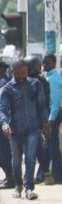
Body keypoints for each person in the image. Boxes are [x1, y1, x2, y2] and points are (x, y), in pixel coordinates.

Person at [0, 59, 49, 200]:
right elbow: (2, 109)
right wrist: (4, 124)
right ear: (13, 72)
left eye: (24, 73)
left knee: (30, 159)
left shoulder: (35, 84)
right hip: (15, 131)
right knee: (16, 161)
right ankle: (18, 186)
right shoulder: (7, 89)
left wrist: (44, 122)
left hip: (32, 128)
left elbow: (42, 104)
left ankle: (29, 188)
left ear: (27, 71)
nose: (21, 76)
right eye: (19, 73)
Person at [26, 56, 52, 184]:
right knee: (38, 148)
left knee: (35, 149)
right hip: (37, 120)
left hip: (31, 121)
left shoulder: (28, 82)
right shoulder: (42, 81)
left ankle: (42, 174)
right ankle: (43, 174)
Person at [0, 60, 14, 188]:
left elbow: (3, 103)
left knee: (5, 151)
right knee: (5, 151)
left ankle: (10, 178)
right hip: (4, 120)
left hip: (4, 121)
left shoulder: (2, 83)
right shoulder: (6, 81)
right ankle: (9, 177)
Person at [43, 54, 62, 183]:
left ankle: (57, 175)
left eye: (47, 63)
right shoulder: (47, 77)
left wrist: (51, 119)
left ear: (54, 63)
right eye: (44, 63)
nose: (44, 65)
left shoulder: (54, 79)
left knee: (53, 145)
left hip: (54, 113)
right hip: (51, 113)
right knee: (50, 144)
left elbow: (55, 101)